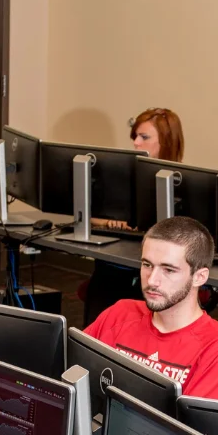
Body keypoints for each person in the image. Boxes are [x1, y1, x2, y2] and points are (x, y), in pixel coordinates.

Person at [85, 217, 218, 401]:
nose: (152, 280)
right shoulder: (120, 312)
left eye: (168, 270)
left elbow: (188, 427)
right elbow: (71, 373)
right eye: (147, 265)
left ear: (199, 277)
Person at [83, 108, 186, 323]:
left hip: (156, 270)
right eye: (135, 137)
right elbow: (91, 216)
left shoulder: (184, 184)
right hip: (117, 263)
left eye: (144, 137)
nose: (136, 143)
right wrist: (114, 223)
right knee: (105, 277)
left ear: (166, 142)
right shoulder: (123, 175)